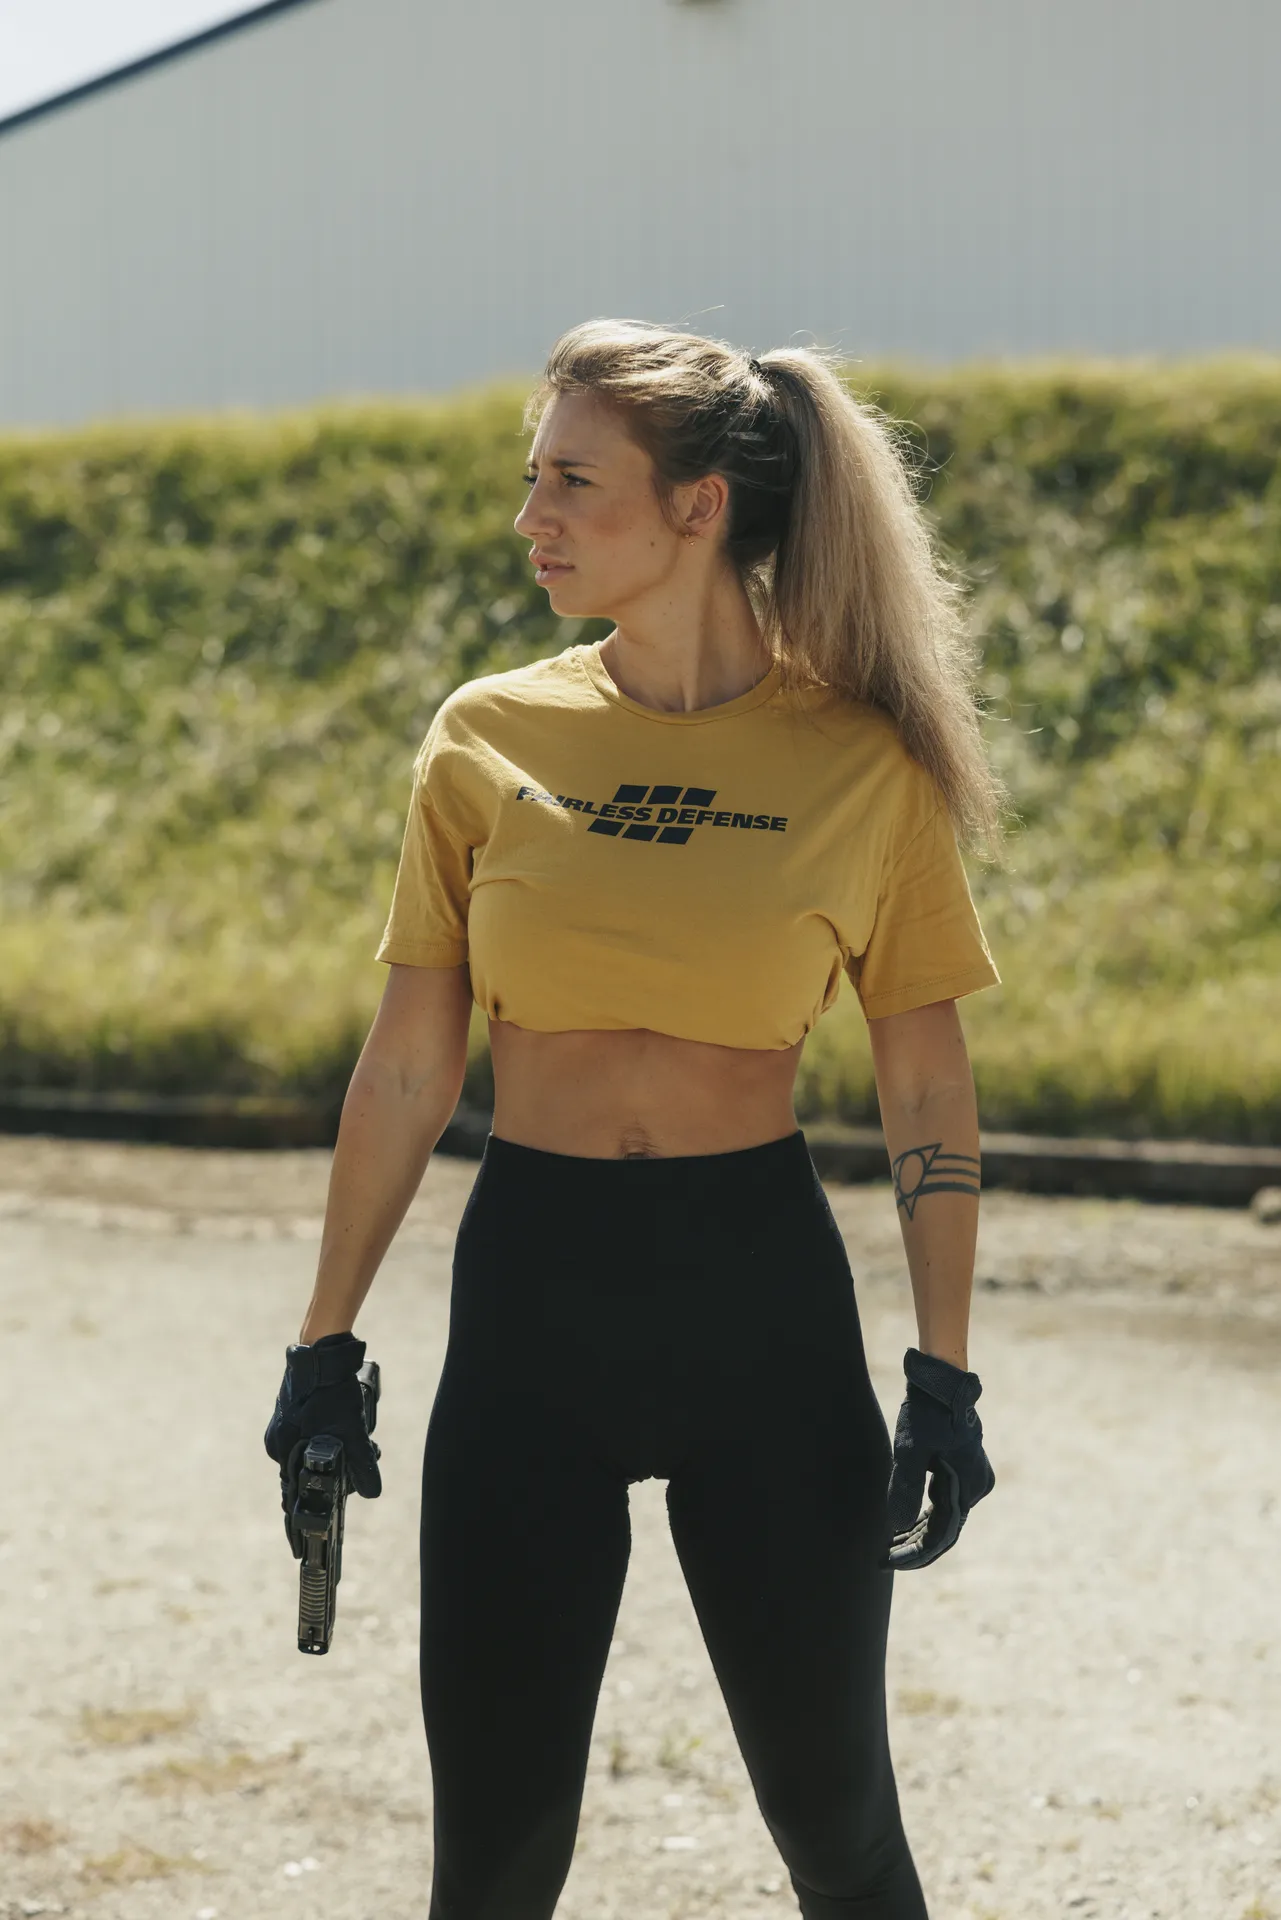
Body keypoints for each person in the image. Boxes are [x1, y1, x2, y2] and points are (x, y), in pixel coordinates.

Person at [265, 319, 1004, 1919]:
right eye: (532, 479)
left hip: (763, 1316)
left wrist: (944, 1374)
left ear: (700, 507)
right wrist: (322, 1345)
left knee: (838, 1821)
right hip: (535, 1308)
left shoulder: (864, 765)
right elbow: (406, 1065)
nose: (532, 517)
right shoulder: (484, 737)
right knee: (501, 1850)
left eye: (573, 484)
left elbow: (925, 1080)